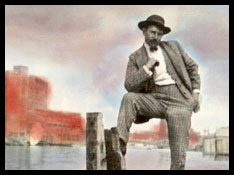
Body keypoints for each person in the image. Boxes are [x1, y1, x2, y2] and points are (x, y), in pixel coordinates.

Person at [116, 14, 201, 170]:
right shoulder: (135, 57)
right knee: (129, 98)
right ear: (144, 31)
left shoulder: (174, 47)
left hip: (180, 101)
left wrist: (195, 94)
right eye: (153, 32)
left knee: (179, 157)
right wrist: (146, 68)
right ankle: (119, 146)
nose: (156, 37)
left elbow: (193, 68)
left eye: (159, 34)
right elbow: (129, 85)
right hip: (155, 100)